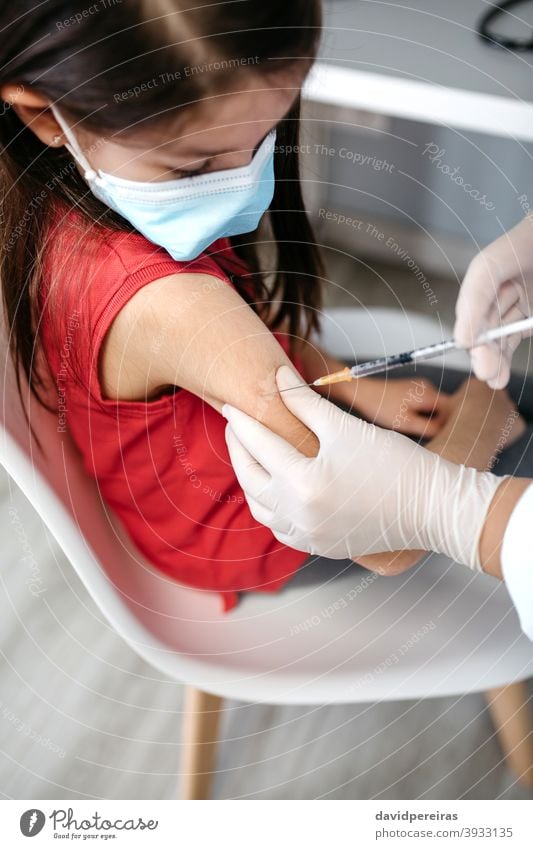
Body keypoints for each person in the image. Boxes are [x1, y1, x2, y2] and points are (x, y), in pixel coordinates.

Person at [0, 0, 458, 615]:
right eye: (195, 166)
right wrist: (491, 415)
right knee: (507, 419)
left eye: (265, 135)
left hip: (212, 464)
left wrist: (353, 389)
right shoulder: (173, 305)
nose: (243, 180)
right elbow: (384, 542)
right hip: (248, 530)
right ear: (44, 116)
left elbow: (249, 340)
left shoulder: (67, 198)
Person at [222, 215, 533, 638]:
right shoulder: (169, 291)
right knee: (502, 404)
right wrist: (479, 426)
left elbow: (262, 329)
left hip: (358, 452)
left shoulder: (208, 251)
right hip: (279, 532)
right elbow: (389, 550)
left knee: (505, 393)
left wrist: (358, 389)